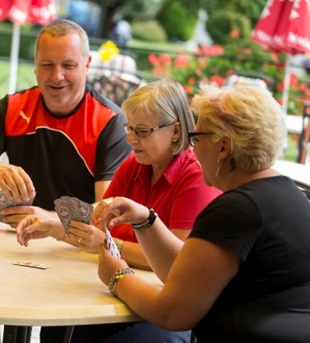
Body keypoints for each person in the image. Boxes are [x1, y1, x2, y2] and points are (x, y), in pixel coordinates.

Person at [94, 83, 310, 342]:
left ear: (223, 148)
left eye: (196, 138)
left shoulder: (235, 210)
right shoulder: (289, 196)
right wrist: (145, 219)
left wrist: (116, 276)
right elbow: (185, 274)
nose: (192, 148)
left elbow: (171, 313)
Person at [16, 78, 220, 342]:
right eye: (129, 128)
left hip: (174, 307)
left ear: (176, 130)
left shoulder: (195, 176)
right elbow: (98, 220)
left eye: (143, 131)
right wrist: (53, 225)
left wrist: (110, 245)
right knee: (58, 331)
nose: (131, 139)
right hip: (127, 289)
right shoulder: (135, 164)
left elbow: (179, 266)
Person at [0, 19, 130, 228]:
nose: (57, 76)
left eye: (68, 65)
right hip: (22, 237)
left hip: (78, 245)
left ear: (87, 65)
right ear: (35, 65)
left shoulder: (110, 122)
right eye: (47, 65)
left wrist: (51, 220)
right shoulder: (11, 108)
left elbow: (107, 211)